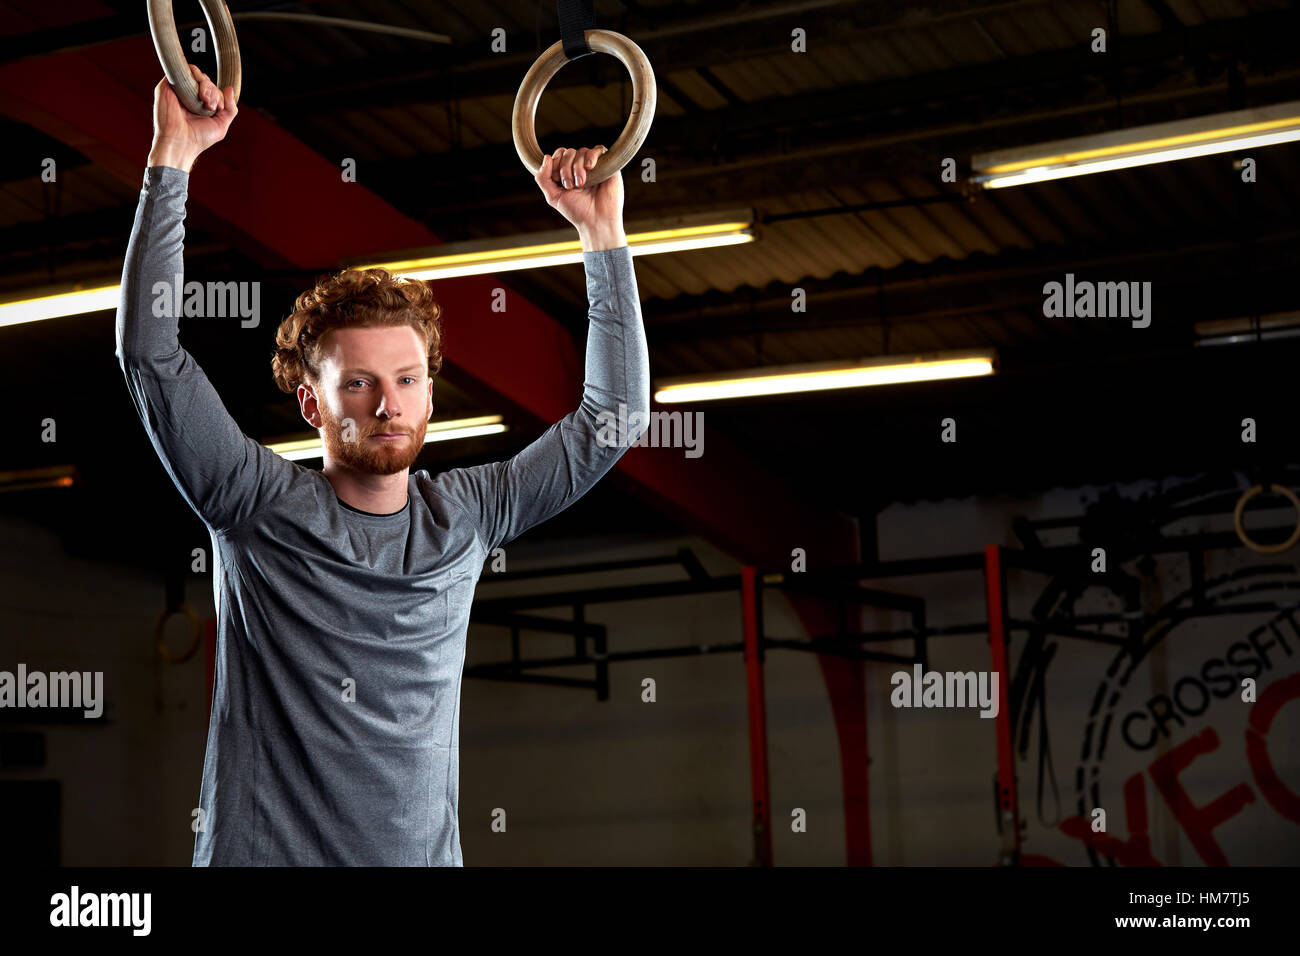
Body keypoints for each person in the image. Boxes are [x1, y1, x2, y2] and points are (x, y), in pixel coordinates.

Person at [117, 66, 650, 865]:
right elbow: (150, 358)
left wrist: (601, 234)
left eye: (406, 382)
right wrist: (174, 156)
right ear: (313, 406)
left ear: (431, 396)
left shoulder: (468, 516)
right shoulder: (257, 507)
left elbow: (614, 420)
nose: (386, 405)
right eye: (357, 384)